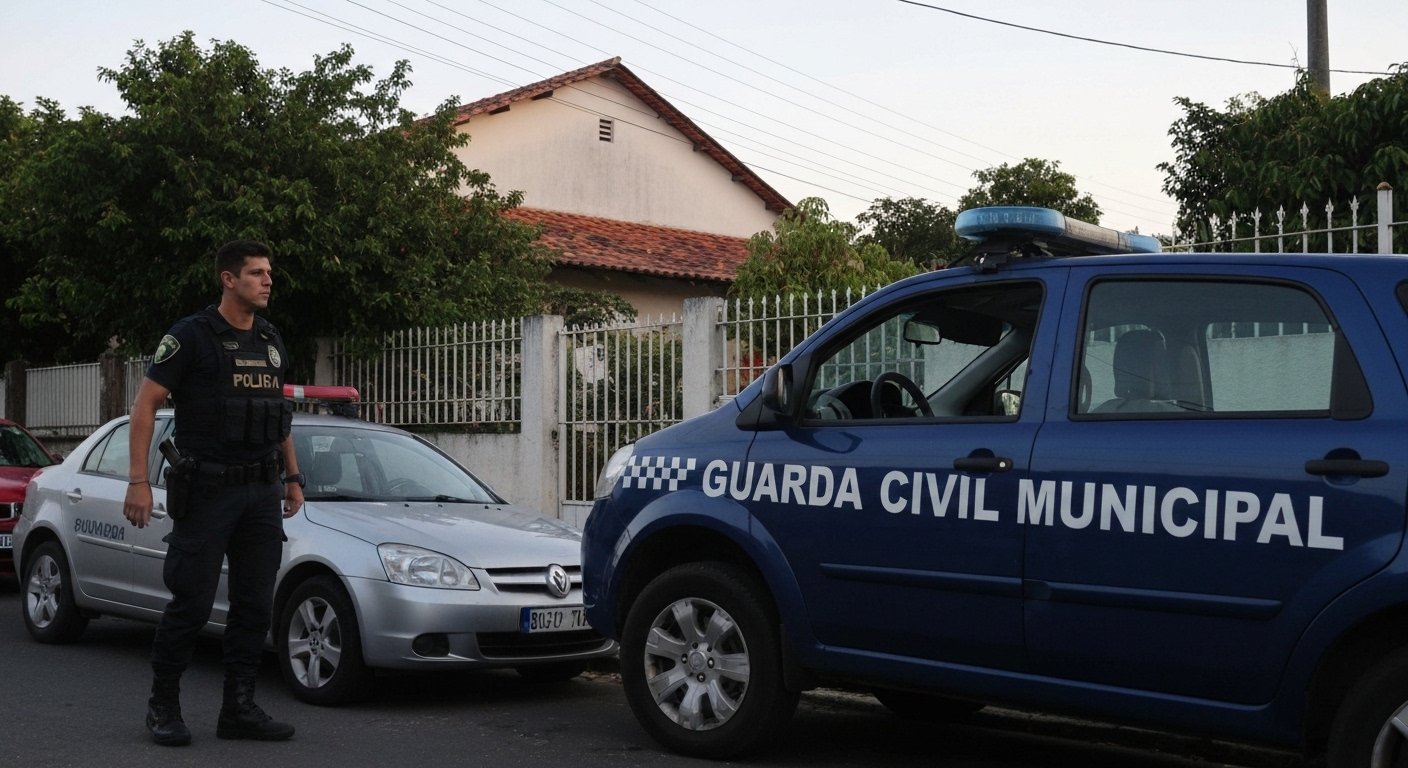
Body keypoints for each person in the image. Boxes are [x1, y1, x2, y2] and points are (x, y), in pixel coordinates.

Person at [123, 239, 305, 746]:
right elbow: (145, 407)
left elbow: (277, 414)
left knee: (253, 605)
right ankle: (163, 706)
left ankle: (239, 709)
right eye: (256, 273)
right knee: (192, 602)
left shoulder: (270, 339)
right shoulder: (191, 336)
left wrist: (292, 479)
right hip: (206, 491)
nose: (268, 281)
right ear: (228, 279)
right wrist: (137, 482)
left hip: (261, 493)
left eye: (269, 272)